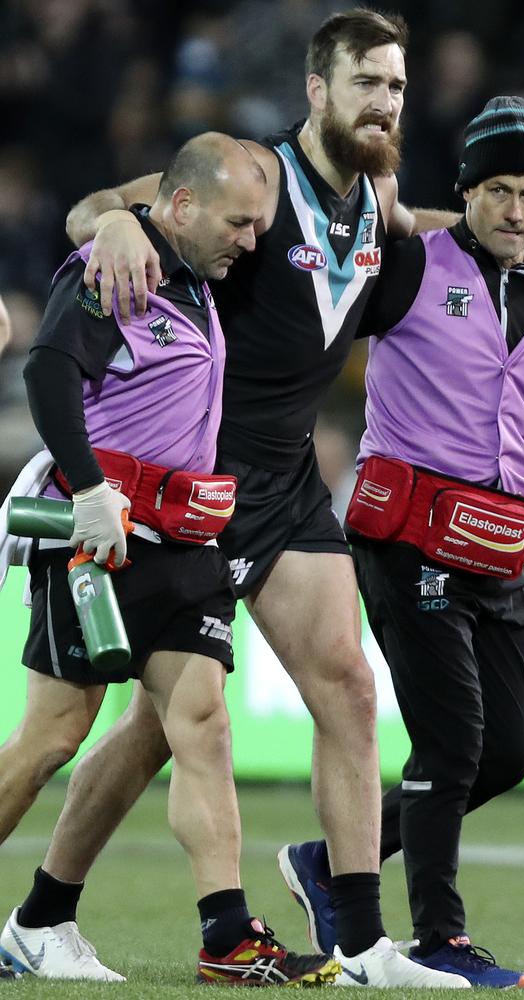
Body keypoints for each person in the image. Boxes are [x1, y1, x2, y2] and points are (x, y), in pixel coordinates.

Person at [1, 8, 524, 988]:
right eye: (366, 83)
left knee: (347, 690)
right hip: (186, 478)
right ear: (317, 90)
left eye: (397, 86)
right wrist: (110, 215)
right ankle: (44, 915)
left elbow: (448, 230)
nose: (384, 102)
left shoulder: (379, 197)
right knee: (122, 726)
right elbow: (115, 206)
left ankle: (362, 943)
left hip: (283, 483)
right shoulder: (257, 175)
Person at [0, 131, 340, 988]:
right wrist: (84, 492)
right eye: (238, 223)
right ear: (182, 206)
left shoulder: (192, 277)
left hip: (188, 539)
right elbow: (47, 371)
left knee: (203, 724)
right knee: (52, 737)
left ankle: (227, 938)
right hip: (100, 532)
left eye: (259, 226)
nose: (250, 241)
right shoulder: (118, 268)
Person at [282, 97, 524, 989]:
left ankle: (328, 863)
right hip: (405, 536)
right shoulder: (414, 264)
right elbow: (324, 313)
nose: (517, 210)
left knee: (507, 753)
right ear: (466, 191)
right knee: (452, 744)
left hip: (500, 546)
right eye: (499, 189)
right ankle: (439, 940)